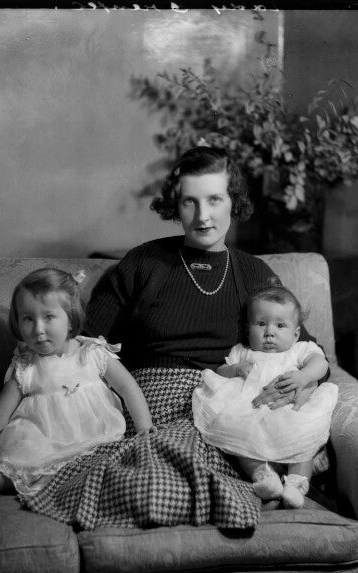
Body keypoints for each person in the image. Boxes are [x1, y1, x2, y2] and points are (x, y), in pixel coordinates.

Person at [23, 145, 330, 530]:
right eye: (190, 202)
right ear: (175, 206)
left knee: (190, 460)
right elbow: (83, 343)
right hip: (148, 402)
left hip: (221, 402)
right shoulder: (143, 263)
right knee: (154, 469)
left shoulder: (254, 273)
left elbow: (308, 349)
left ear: (233, 202)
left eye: (215, 199)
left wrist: (306, 381)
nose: (203, 217)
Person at [0, 267, 154, 522]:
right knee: (20, 460)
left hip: (91, 440)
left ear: (71, 319)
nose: (38, 329)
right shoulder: (26, 367)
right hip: (40, 439)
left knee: (107, 466)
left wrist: (145, 429)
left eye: (49, 317)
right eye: (28, 319)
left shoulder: (92, 353)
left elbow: (128, 387)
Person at [192, 285, 339, 509]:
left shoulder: (299, 349)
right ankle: (265, 477)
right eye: (261, 324)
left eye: (280, 325)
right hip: (249, 412)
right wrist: (235, 370)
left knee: (303, 440)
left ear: (296, 333)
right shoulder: (242, 352)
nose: (269, 332)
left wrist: (303, 376)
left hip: (289, 413)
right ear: (247, 328)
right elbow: (221, 372)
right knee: (238, 438)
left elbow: (320, 364)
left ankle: (297, 485)